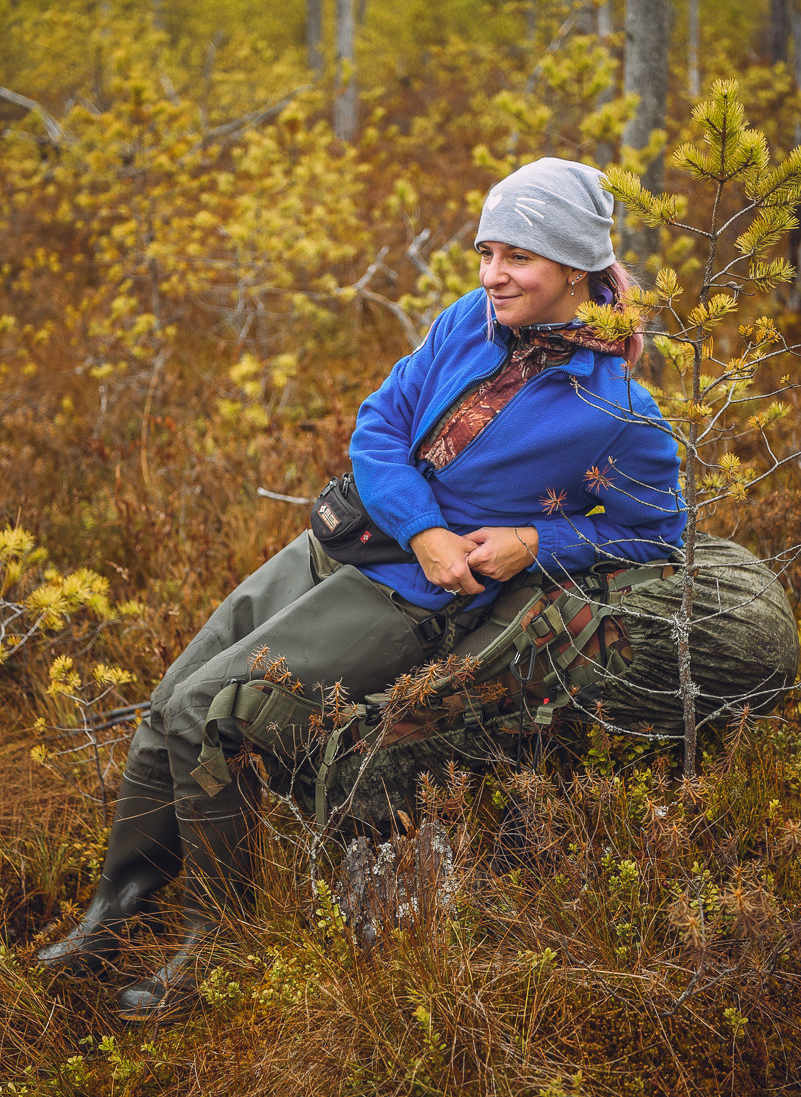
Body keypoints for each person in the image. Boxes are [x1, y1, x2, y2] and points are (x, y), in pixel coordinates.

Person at [35, 157, 686, 1018]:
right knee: (166, 706)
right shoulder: (468, 321)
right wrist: (419, 524)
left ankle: (214, 944)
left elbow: (657, 532)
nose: (493, 274)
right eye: (487, 251)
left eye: (518, 257)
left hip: (409, 599)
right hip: (348, 543)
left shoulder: (618, 414)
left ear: (574, 267)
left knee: (209, 717)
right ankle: (115, 913)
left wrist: (537, 540)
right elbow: (378, 422)